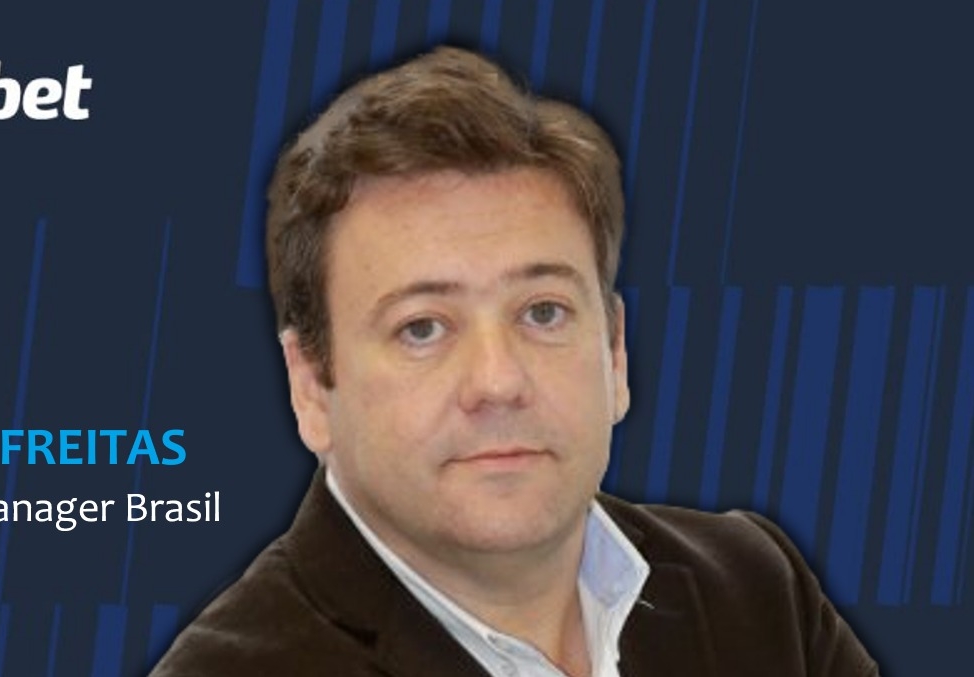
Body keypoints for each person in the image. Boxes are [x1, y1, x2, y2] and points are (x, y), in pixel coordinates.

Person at [150, 47, 877, 677]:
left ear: (615, 351)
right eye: (422, 328)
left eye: (543, 312)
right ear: (311, 385)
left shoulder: (756, 590)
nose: (499, 381)